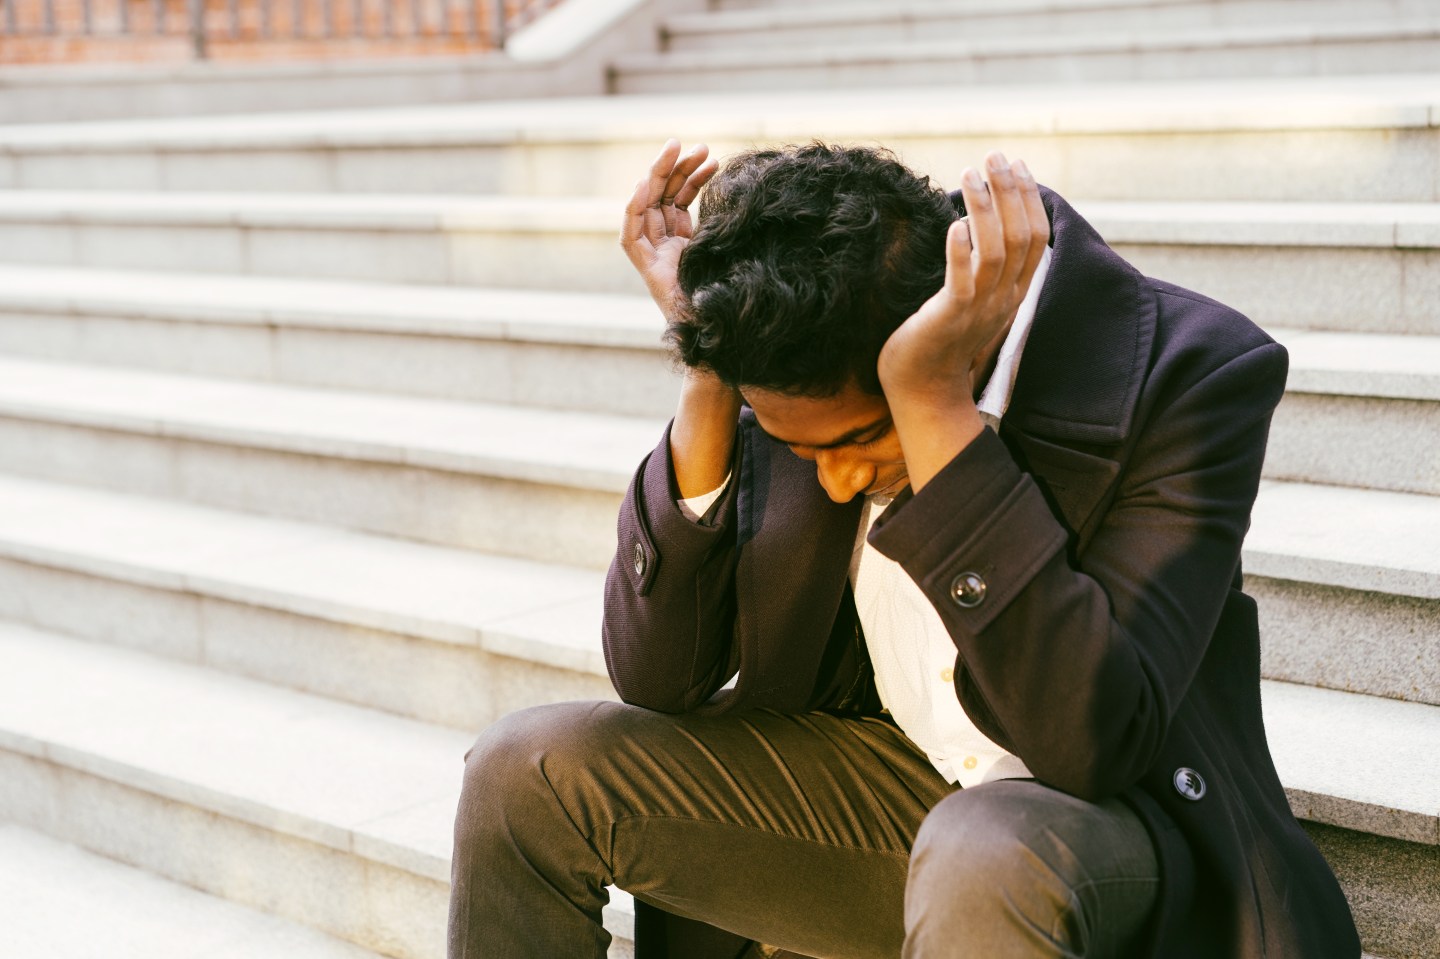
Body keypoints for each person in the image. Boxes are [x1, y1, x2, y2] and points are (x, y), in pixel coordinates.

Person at [447, 140, 1360, 958]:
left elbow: (1091, 741)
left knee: (981, 850)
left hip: (1120, 837)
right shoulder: (805, 346)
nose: (838, 483)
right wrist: (710, 374)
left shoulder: (1189, 368)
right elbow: (661, 675)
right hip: (894, 798)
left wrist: (933, 414)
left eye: (855, 444)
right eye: (808, 452)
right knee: (523, 770)